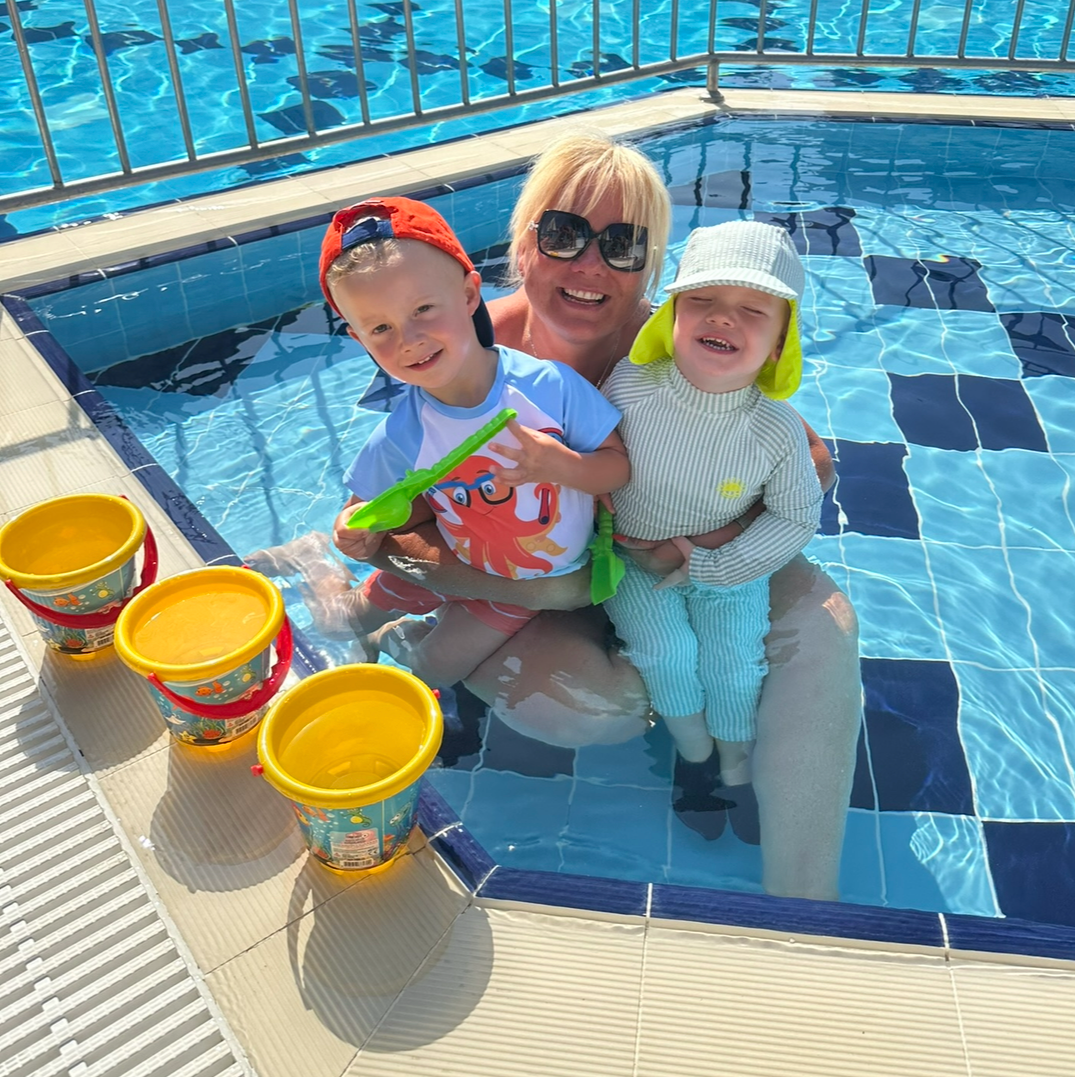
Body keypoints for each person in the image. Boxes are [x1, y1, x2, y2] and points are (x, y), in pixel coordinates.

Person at [255, 127, 861, 902]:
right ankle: (372, 613)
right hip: (508, 578)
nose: (589, 265)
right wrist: (532, 589)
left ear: (650, 267)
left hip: (641, 559)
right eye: (564, 234)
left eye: (621, 244)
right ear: (521, 247)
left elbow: (809, 459)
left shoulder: (671, 347)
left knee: (823, 628)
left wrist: (709, 543)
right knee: (588, 706)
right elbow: (385, 523)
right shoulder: (457, 347)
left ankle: (806, 908)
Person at [321, 196, 628, 689]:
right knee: (339, 622)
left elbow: (618, 467)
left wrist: (562, 466)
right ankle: (315, 566)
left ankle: (393, 639)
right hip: (454, 564)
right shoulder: (403, 432)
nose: (409, 339)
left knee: (434, 670)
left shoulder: (548, 387)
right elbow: (364, 510)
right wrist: (348, 531)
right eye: (380, 328)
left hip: (520, 586)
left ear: (468, 296)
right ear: (360, 340)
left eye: (423, 309)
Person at [605, 220, 821, 845]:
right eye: (701, 300)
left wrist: (706, 563)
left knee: (734, 663)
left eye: (753, 310)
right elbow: (586, 456)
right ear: (670, 319)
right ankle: (694, 756)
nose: (723, 317)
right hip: (634, 565)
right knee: (665, 652)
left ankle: (736, 766)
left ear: (779, 344)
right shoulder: (629, 387)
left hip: (729, 571)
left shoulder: (776, 429)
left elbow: (797, 516)